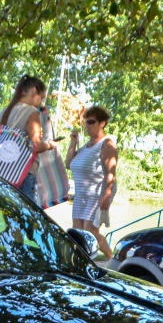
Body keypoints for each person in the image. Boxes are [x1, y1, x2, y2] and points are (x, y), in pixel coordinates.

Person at [0, 75, 56, 201]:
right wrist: (49, 145)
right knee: (27, 217)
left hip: (1, 173)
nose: (40, 103)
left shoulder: (4, 112)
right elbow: (35, 145)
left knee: (9, 217)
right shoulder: (31, 112)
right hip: (22, 174)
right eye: (40, 99)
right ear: (33, 91)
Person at [66, 105, 119, 259]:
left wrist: (107, 196)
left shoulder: (106, 144)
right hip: (82, 193)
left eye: (91, 122)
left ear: (102, 123)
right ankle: (81, 261)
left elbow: (111, 171)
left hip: (98, 192)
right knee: (77, 231)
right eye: (86, 122)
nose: (87, 125)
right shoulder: (85, 147)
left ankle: (112, 258)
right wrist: (73, 143)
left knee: (90, 231)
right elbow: (69, 164)